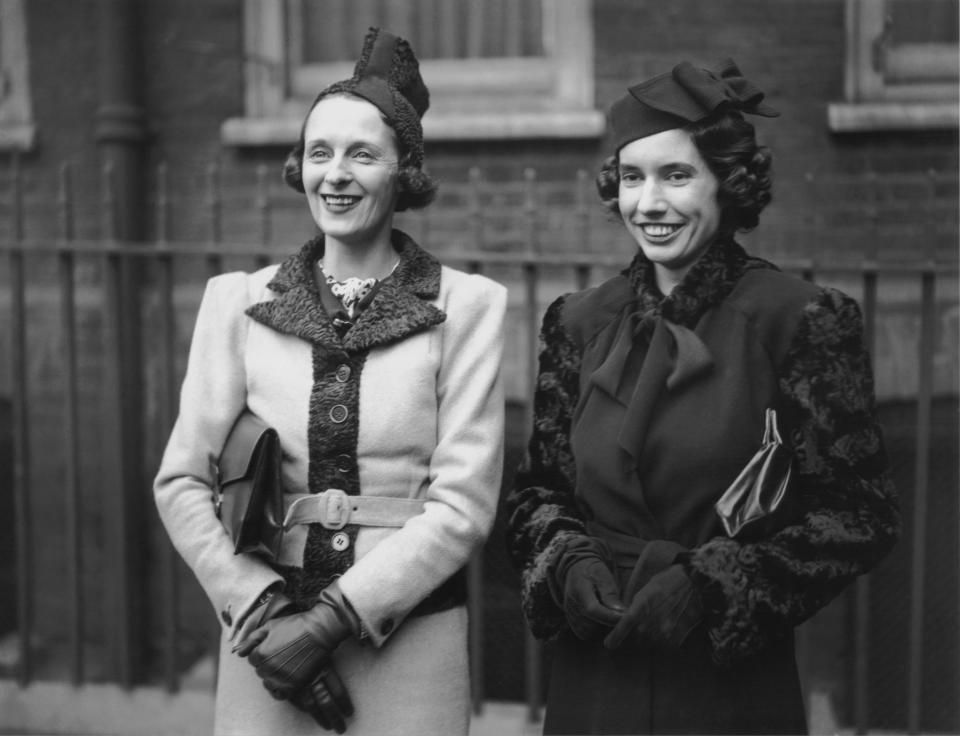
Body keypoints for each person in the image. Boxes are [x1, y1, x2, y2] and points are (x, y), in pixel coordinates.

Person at [504, 59, 900, 735]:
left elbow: (859, 515)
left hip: (729, 688)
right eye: (632, 178)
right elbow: (538, 492)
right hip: (595, 671)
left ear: (728, 183)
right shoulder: (577, 323)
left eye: (676, 175)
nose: (649, 203)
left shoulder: (799, 320)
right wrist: (566, 561)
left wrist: (715, 587)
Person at [154, 28, 506, 736]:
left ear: (402, 170)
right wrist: (262, 612)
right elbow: (182, 482)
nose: (335, 174)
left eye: (361, 155)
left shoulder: (466, 306)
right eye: (320, 153)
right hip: (266, 645)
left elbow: (463, 503)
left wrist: (329, 624)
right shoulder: (238, 301)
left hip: (408, 640)